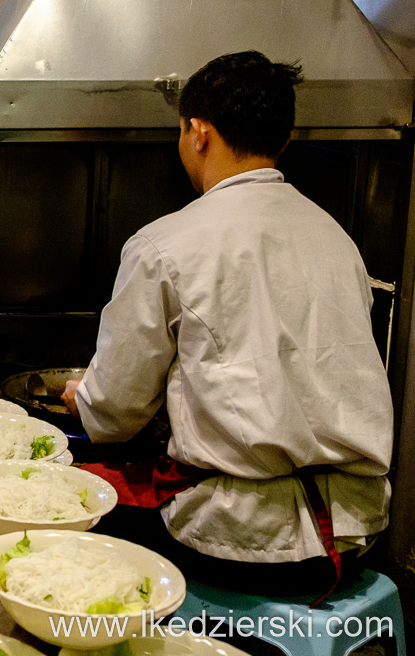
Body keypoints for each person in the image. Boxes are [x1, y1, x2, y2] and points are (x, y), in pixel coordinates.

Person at [61, 51, 392, 599]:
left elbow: (115, 414)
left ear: (198, 132)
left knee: (65, 509)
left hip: (237, 537)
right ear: (282, 142)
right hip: (357, 529)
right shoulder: (337, 240)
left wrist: (83, 398)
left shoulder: (165, 244)